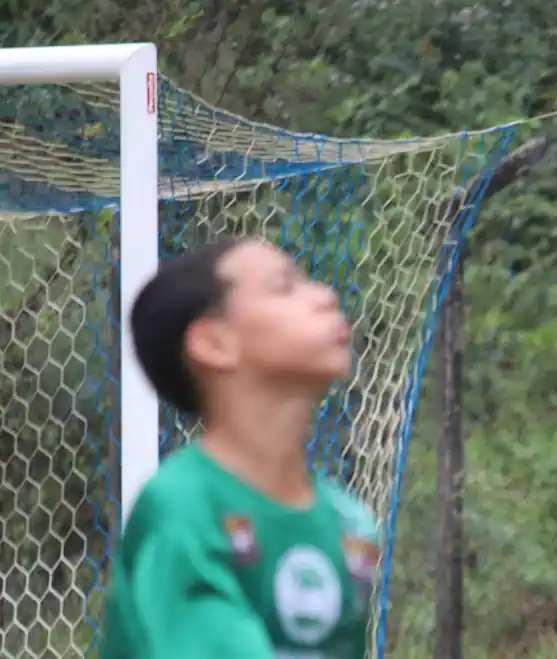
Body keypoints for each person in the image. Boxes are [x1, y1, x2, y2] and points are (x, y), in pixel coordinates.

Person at [100, 239, 381, 659]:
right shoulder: (183, 509)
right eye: (284, 287)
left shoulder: (349, 523)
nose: (326, 296)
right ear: (214, 344)